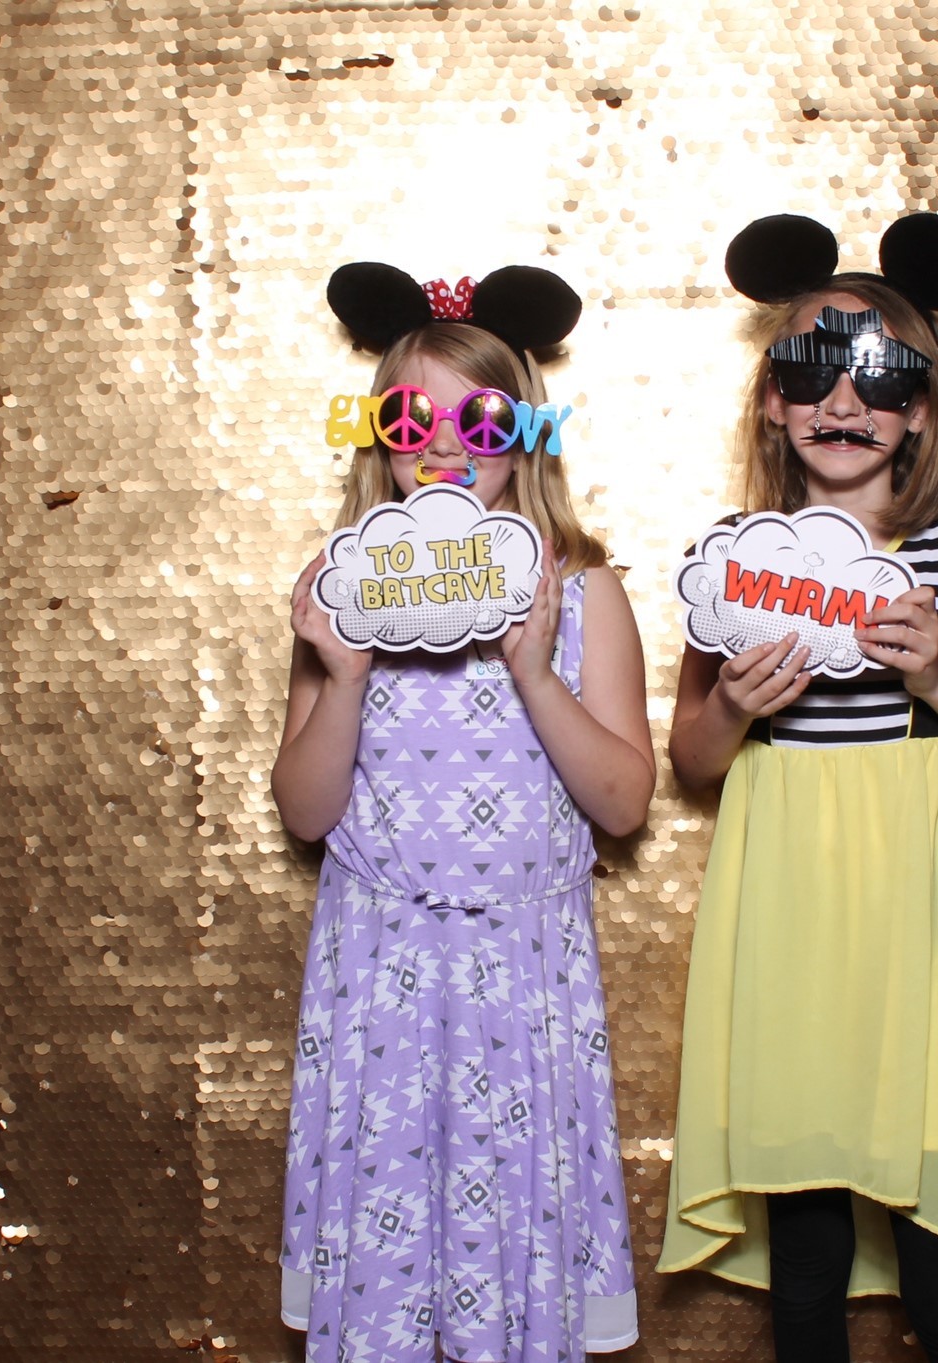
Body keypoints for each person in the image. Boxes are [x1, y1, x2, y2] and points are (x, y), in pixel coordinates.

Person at [658, 215, 938, 1363]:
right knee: (805, 1275)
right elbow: (691, 757)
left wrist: (936, 676)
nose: (841, 399)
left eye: (877, 376)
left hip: (919, 942)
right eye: (809, 370)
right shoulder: (739, 558)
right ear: (772, 403)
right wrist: (733, 707)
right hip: (789, 940)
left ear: (920, 407)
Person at [272, 261, 654, 1363]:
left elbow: (624, 802)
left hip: (521, 974)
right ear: (378, 439)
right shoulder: (343, 588)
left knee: (512, 1260)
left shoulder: (582, 589)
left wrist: (533, 669)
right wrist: (342, 676)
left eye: (478, 419)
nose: (443, 443)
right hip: (379, 965)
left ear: (524, 434)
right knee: (385, 1266)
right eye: (410, 419)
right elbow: (304, 811)